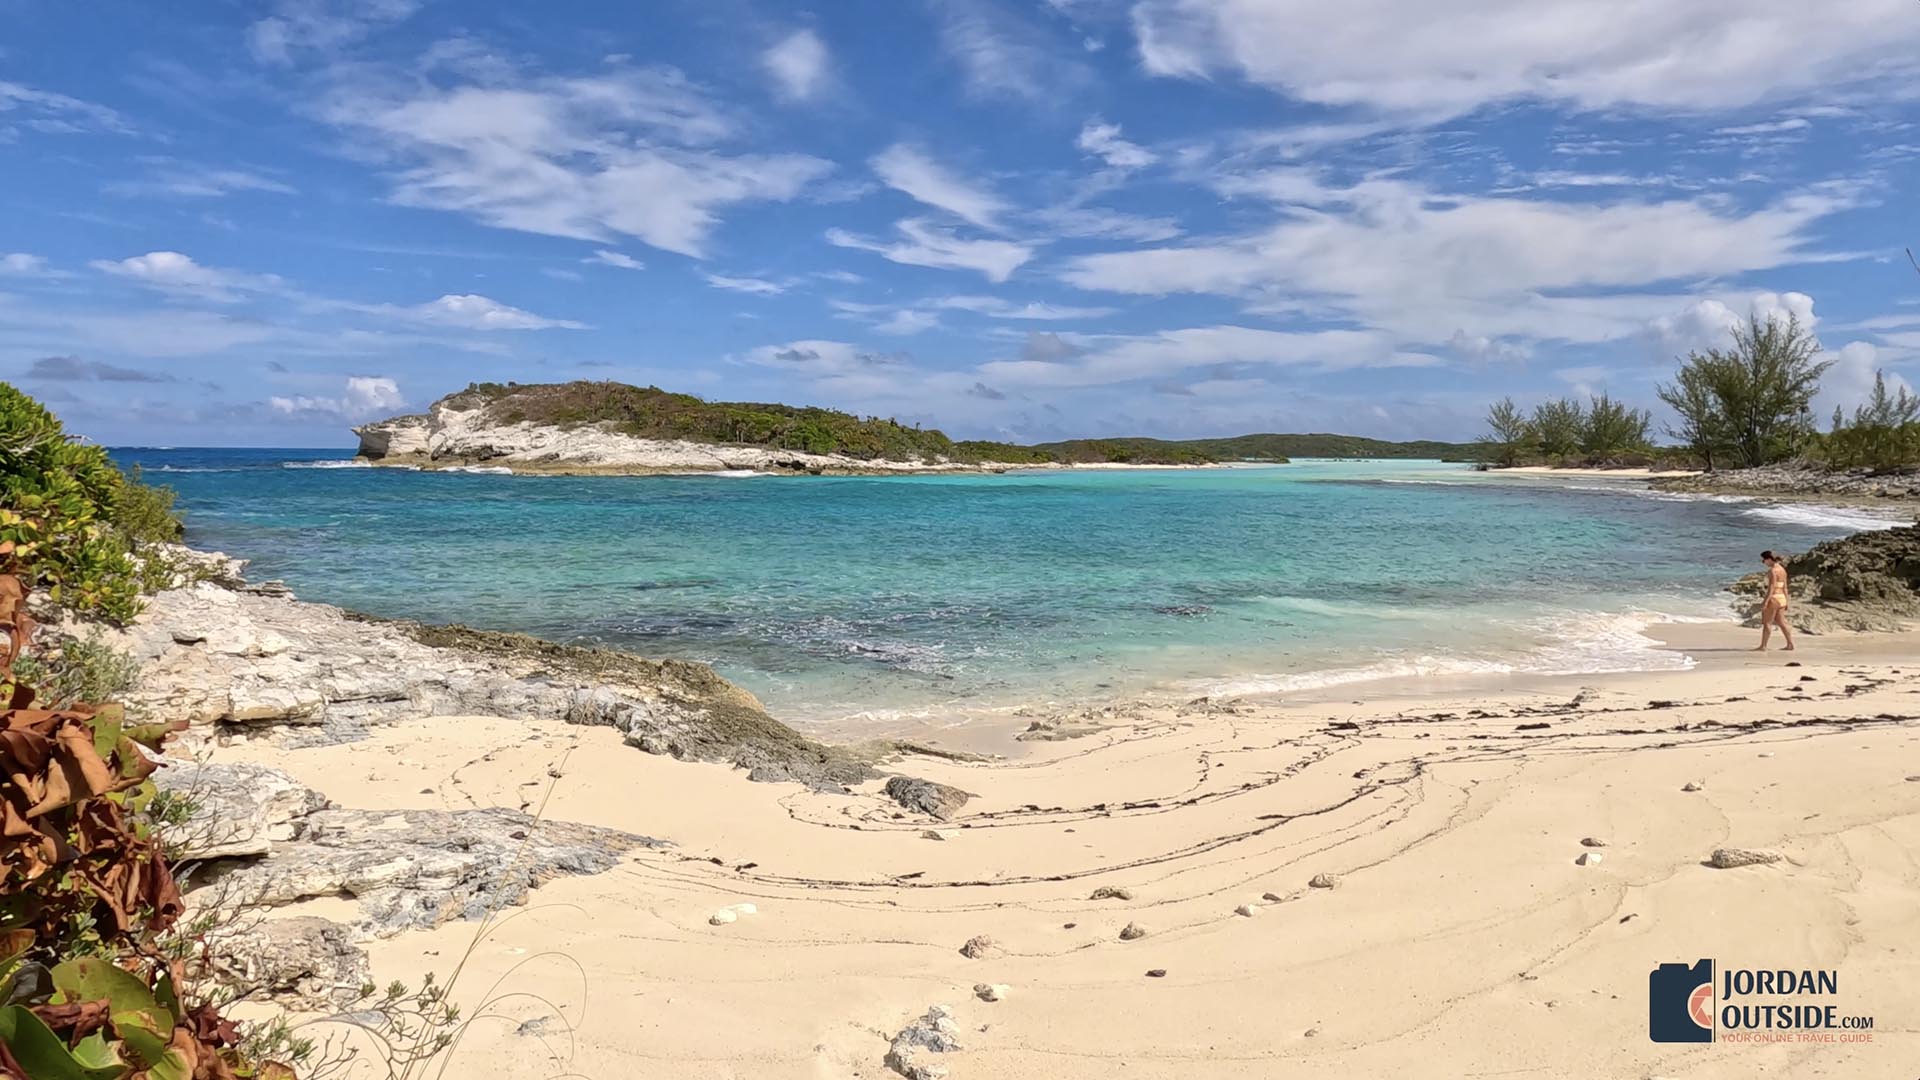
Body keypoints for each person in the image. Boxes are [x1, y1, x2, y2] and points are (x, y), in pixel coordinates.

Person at [1755, 551, 1795, 652]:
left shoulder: (1773, 571)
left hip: (1774, 598)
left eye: (1764, 560)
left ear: (1769, 559)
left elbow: (1771, 588)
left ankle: (1763, 646)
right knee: (1781, 622)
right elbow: (1785, 587)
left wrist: (1765, 602)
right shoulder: (1782, 570)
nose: (1763, 562)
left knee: (1767, 623)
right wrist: (1787, 601)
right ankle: (1790, 644)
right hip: (1782, 598)